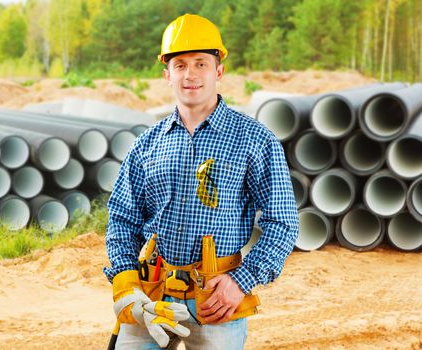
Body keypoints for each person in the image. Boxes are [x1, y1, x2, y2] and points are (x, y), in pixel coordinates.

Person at [104, 13, 299, 350]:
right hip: (152, 298)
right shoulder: (147, 144)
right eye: (180, 65)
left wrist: (241, 281)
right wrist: (126, 284)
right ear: (167, 74)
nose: (190, 74)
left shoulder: (256, 140)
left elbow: (282, 222)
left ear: (218, 70)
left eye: (200, 63)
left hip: (216, 301)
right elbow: (123, 218)